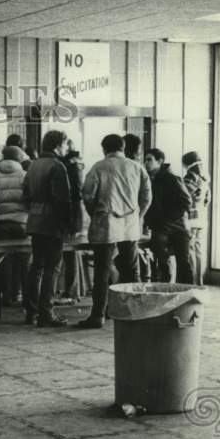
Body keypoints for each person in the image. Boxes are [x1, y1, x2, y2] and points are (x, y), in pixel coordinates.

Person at [78, 134, 152, 329]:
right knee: (131, 270)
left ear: (104, 148)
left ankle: (98, 315)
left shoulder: (99, 167)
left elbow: (87, 195)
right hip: (130, 226)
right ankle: (133, 312)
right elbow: (147, 196)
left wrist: (95, 213)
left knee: (102, 271)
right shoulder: (137, 167)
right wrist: (138, 215)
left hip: (106, 224)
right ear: (123, 147)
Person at [21, 131, 72, 327]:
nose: (66, 148)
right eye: (65, 144)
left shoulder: (33, 165)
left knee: (36, 266)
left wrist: (34, 211)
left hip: (34, 220)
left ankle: (31, 311)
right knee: (52, 268)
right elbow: (62, 199)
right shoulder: (57, 166)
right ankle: (47, 313)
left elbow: (25, 195)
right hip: (52, 222)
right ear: (58, 145)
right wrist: (66, 223)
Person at [0, 145, 30, 307]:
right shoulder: (25, 176)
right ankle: (26, 296)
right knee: (24, 261)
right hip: (22, 222)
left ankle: (7, 296)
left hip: (1, 223)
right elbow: (29, 199)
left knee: (4, 261)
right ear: (19, 158)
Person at [144, 148, 194, 284]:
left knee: (183, 262)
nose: (146, 163)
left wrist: (168, 218)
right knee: (161, 259)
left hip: (178, 226)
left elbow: (187, 201)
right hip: (162, 226)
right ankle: (164, 288)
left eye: (149, 160)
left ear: (159, 161)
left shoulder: (172, 178)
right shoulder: (149, 179)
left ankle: (188, 293)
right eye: (145, 160)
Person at [58, 140, 88, 303]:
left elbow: (75, 191)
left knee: (69, 250)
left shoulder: (69, 166)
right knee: (71, 250)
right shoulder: (77, 165)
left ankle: (71, 291)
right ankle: (73, 290)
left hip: (70, 210)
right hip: (76, 209)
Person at [182, 151, 211, 286]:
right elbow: (207, 200)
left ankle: (193, 282)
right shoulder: (205, 178)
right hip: (201, 218)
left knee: (191, 250)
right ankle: (200, 281)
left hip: (191, 219)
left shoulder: (190, 177)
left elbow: (184, 197)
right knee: (199, 251)